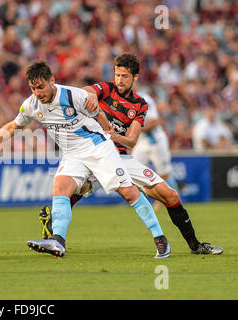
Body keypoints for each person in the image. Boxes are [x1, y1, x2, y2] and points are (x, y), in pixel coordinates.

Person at [0, 60, 170, 259]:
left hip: (97, 147)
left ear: (52, 81)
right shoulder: (31, 105)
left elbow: (99, 114)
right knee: (60, 187)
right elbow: (13, 127)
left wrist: (109, 135)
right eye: (33, 88)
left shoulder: (72, 95)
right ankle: (58, 241)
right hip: (73, 154)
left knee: (128, 192)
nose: (38, 93)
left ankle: (160, 239)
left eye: (41, 87)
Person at [39, 53, 223, 255]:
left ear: (135, 77)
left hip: (120, 156)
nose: (119, 80)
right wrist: (90, 97)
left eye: (124, 76)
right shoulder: (106, 88)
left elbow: (133, 140)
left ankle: (195, 245)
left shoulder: (140, 105)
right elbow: (87, 90)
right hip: (93, 152)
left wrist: (115, 136)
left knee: (169, 195)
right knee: (77, 187)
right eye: (117, 74)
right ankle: (55, 233)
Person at [131, 91, 180, 211]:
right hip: (141, 143)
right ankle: (146, 203)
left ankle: (178, 205)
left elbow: (154, 122)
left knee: (164, 175)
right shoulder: (120, 100)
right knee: (132, 172)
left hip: (155, 141)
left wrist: (135, 130)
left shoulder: (145, 99)